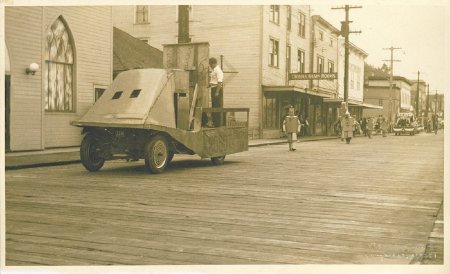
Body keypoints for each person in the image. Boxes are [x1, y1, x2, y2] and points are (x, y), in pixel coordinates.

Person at [209, 57, 224, 126]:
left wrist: (217, 92)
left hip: (217, 89)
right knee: (214, 106)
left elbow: (219, 82)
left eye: (211, 64)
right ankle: (214, 122)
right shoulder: (214, 70)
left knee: (217, 106)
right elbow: (213, 81)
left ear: (213, 63)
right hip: (213, 88)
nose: (210, 66)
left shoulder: (218, 70)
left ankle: (217, 123)